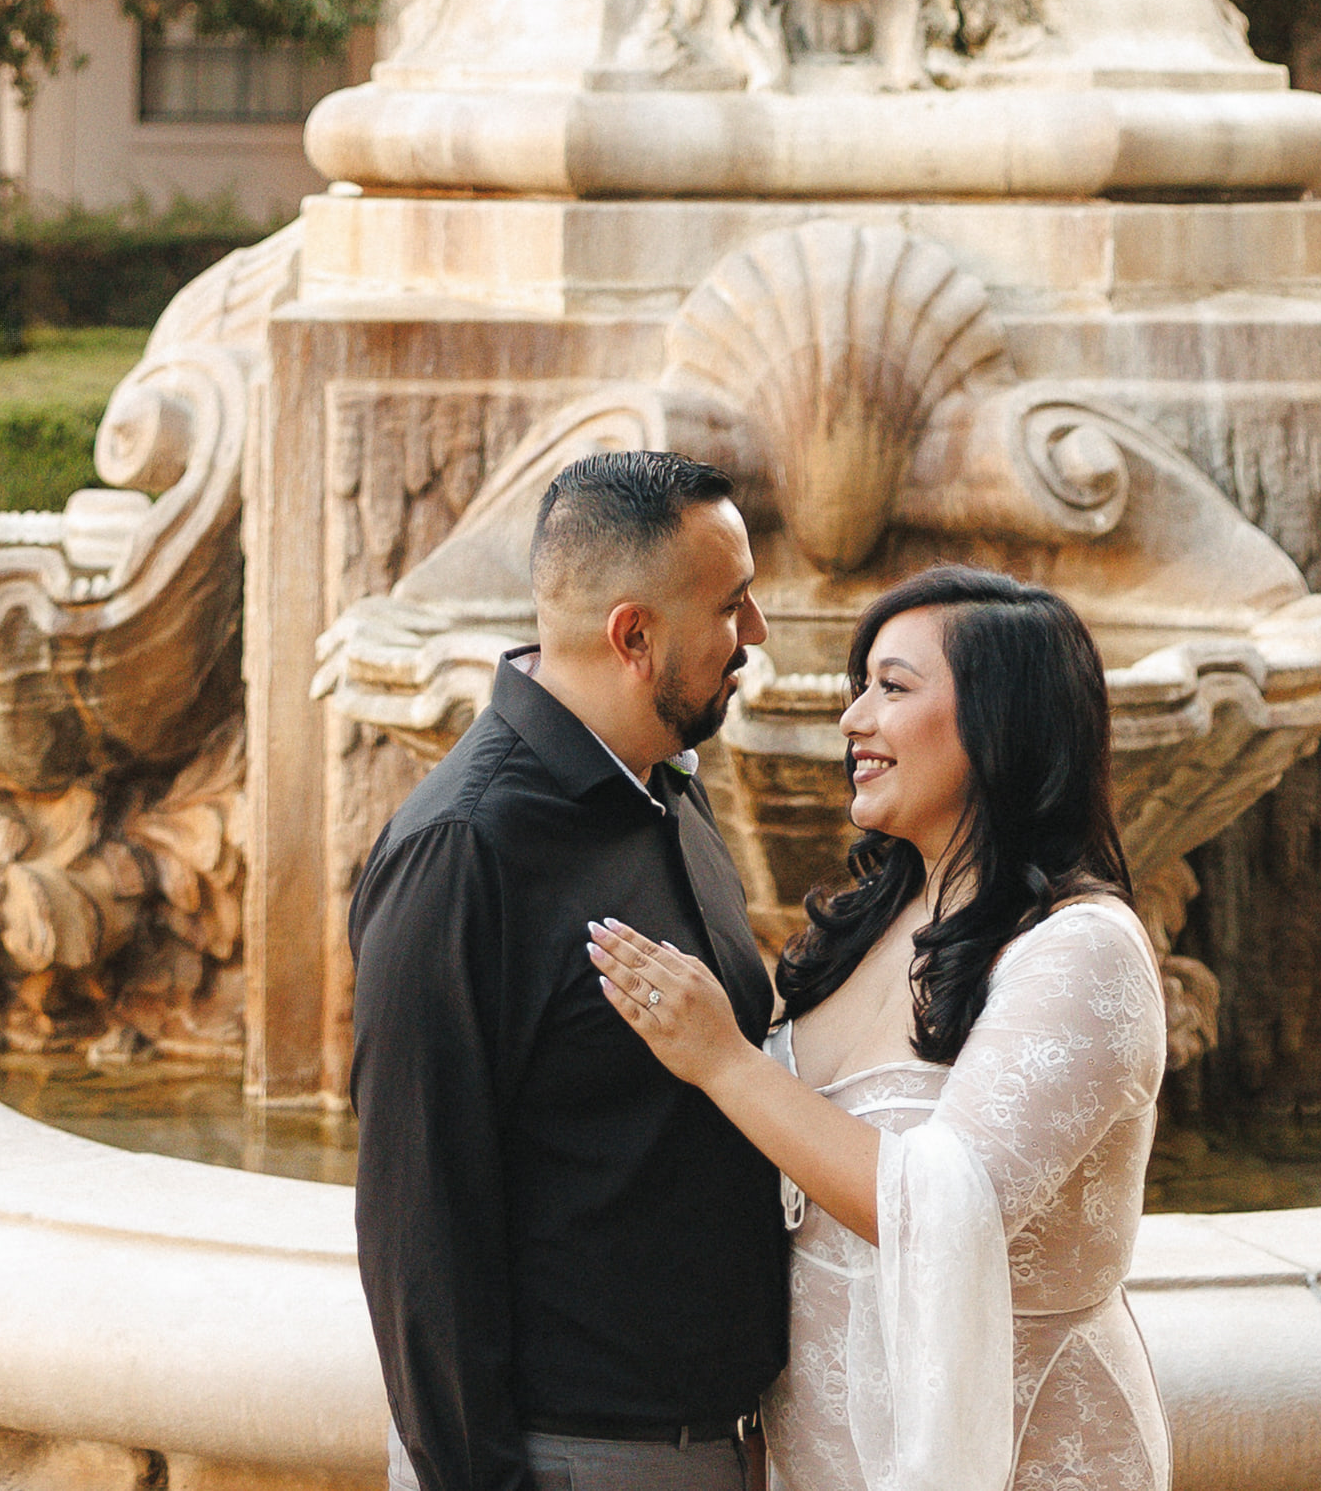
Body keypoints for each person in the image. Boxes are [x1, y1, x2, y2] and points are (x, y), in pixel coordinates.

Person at [585, 566, 1169, 1491]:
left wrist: (724, 1062)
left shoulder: (1081, 949)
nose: (853, 719)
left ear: (1001, 720)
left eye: (891, 688)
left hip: (1022, 1458)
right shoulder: (867, 924)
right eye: (860, 686)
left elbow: (949, 1207)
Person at [350, 447, 788, 1491]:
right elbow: (418, 1230)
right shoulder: (463, 849)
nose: (758, 631)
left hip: (720, 1442)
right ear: (634, 636)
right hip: (571, 1461)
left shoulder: (667, 786)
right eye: (730, 604)